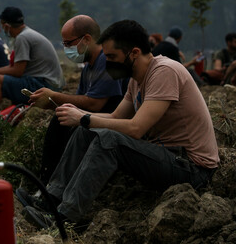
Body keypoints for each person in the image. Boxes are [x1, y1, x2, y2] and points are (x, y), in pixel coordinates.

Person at [21, 20, 219, 230]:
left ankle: (64, 218)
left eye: (112, 57)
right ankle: (51, 198)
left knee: (109, 139)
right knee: (84, 131)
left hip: (192, 168)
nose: (109, 64)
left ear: (133, 53)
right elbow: (116, 116)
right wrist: (78, 114)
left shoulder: (164, 71)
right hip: (167, 156)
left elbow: (136, 128)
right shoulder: (136, 79)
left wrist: (84, 117)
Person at [26, 15, 126, 183]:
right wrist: (50, 102)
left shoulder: (105, 60)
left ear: (86, 39)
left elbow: (95, 103)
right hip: (98, 116)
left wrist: (54, 96)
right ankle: (47, 180)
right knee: (61, 118)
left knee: (64, 123)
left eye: (68, 43)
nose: (66, 49)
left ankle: (51, 183)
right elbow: (78, 100)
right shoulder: (89, 67)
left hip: (111, 120)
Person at [0, 7, 64, 113]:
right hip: (47, 82)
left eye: (2, 25)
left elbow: (17, 71)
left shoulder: (22, 38)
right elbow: (15, 67)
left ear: (6, 26)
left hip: (45, 86)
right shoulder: (27, 34)